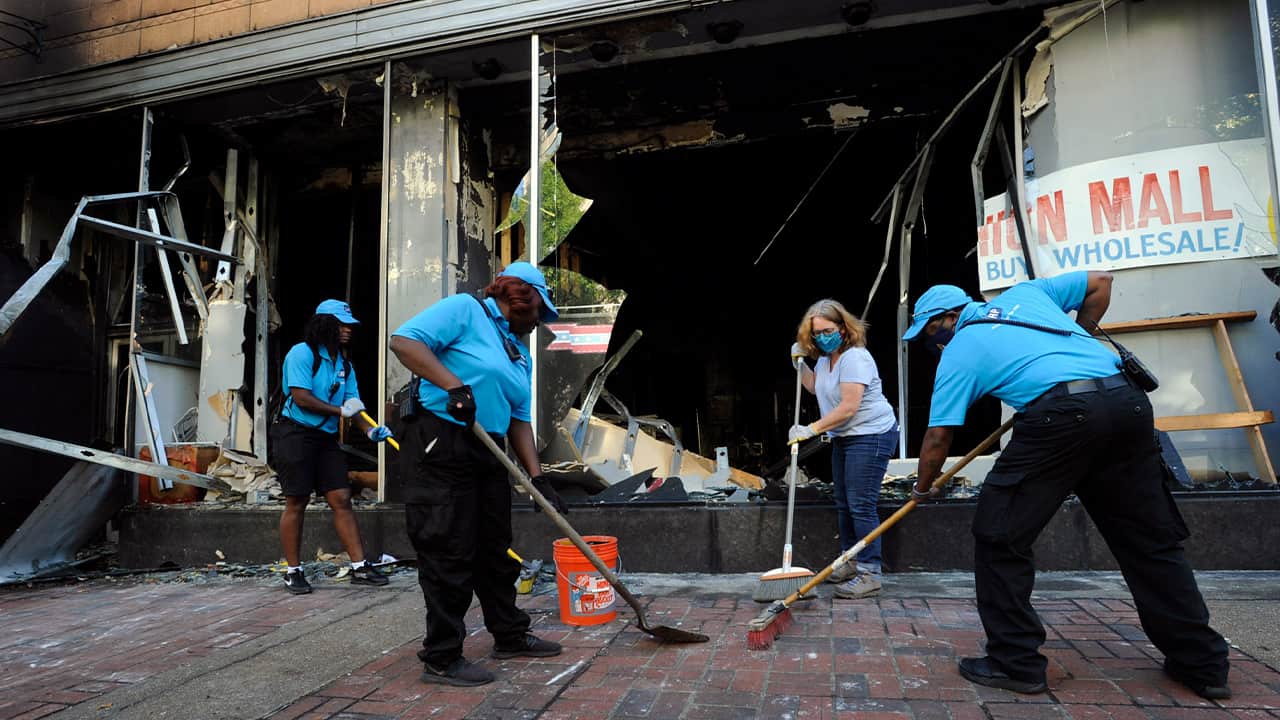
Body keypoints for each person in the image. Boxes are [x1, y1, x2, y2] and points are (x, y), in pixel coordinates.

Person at [903, 271, 1230, 699]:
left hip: (1061, 418)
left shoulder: (960, 350)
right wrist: (1082, 333)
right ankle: (1202, 665)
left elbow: (937, 439)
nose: (933, 341)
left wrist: (922, 489)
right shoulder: (1028, 295)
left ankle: (1014, 662)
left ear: (949, 318)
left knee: (1000, 535)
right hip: (1126, 402)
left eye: (930, 330)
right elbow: (1100, 282)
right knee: (1150, 541)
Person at [389, 261, 568, 687]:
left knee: (495, 547)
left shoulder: (517, 350)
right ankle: (442, 657)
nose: (541, 321)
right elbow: (403, 341)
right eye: (541, 310)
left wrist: (537, 477)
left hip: (488, 449)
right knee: (449, 547)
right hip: (442, 440)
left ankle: (508, 633)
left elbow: (519, 419)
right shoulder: (465, 310)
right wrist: (454, 387)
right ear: (522, 295)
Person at [272, 299, 395, 595]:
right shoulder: (301, 354)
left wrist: (371, 430)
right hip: (295, 434)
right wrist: (339, 412)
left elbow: (354, 407)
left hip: (325, 438)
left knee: (341, 497)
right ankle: (293, 571)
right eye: (341, 325)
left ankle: (359, 567)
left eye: (349, 325)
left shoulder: (344, 364)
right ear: (323, 324)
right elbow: (301, 397)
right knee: (297, 500)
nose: (348, 330)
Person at [788, 299, 899, 599]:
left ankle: (870, 573)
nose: (823, 337)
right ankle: (849, 562)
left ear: (843, 327)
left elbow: (849, 407)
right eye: (816, 334)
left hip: (871, 434)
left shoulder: (855, 358)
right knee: (844, 502)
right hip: (845, 436)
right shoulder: (826, 360)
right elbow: (814, 388)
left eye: (828, 330)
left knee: (861, 503)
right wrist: (800, 364)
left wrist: (810, 430)